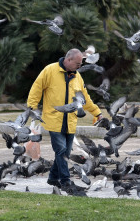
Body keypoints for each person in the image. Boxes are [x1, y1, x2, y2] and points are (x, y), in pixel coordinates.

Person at [27, 48, 103, 188]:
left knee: (65, 153)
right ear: (68, 60)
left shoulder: (77, 77)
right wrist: (32, 108)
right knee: (61, 152)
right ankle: (65, 181)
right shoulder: (49, 70)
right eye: (78, 63)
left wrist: (97, 113)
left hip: (70, 121)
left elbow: (85, 98)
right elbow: (36, 89)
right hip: (53, 120)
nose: (80, 66)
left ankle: (52, 178)